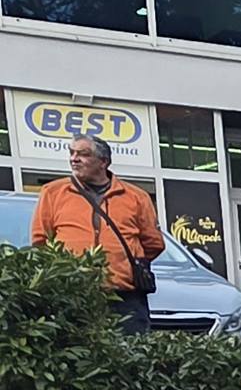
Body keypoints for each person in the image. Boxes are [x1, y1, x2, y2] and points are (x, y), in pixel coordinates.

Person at [29, 134, 164, 334]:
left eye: (83, 154)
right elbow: (40, 242)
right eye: (72, 153)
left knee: (130, 356)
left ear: (103, 162)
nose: (74, 159)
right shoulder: (53, 192)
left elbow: (153, 244)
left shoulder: (136, 197)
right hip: (70, 295)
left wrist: (122, 265)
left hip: (124, 297)